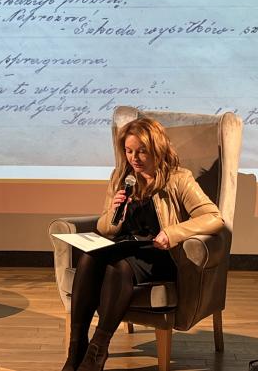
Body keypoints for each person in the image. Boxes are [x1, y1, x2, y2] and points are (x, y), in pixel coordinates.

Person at [62, 117, 224, 371]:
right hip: (125, 247)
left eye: (141, 151)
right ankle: (76, 349)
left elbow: (214, 217)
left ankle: (97, 350)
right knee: (88, 257)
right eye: (129, 151)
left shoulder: (179, 179)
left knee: (117, 268)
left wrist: (173, 232)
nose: (134, 158)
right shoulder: (121, 177)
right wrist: (115, 212)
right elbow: (105, 228)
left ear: (157, 149)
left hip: (159, 254)